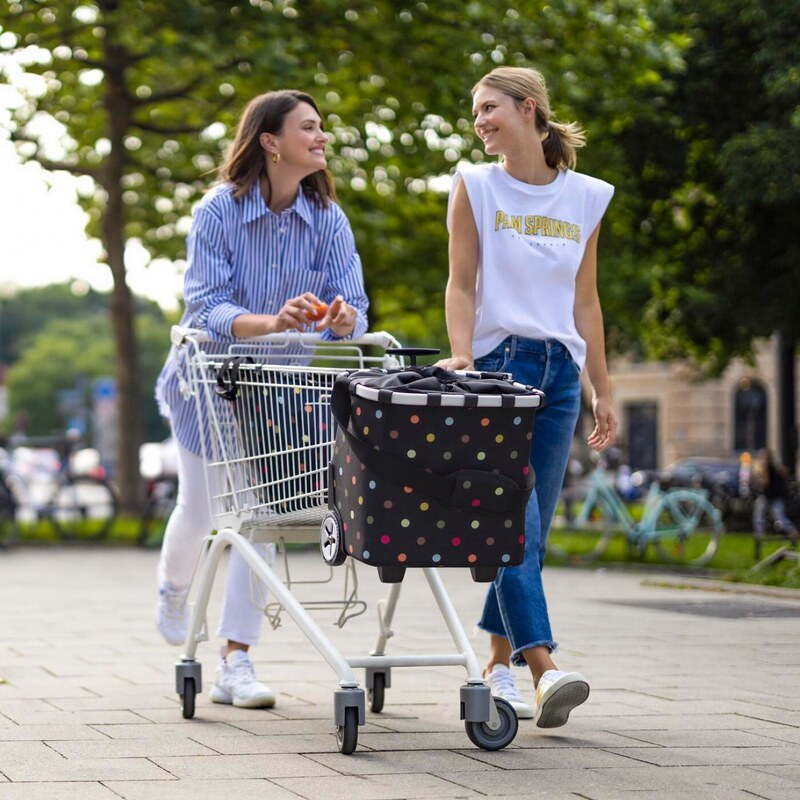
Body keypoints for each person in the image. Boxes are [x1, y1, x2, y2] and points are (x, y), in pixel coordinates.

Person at [154, 89, 369, 708]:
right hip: (209, 384)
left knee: (262, 522)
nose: (322, 137)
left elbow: (353, 310)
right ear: (270, 141)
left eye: (323, 127)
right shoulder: (219, 210)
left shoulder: (328, 217)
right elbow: (206, 306)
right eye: (309, 127)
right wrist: (272, 321)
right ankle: (173, 587)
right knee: (201, 512)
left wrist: (338, 317)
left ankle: (235, 662)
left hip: (280, 391)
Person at [437, 66, 617, 727]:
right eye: (475, 111)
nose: (479, 120)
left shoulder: (587, 196)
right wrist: (461, 352)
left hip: (561, 374)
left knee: (527, 532)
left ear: (529, 109)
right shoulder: (475, 187)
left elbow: (587, 301)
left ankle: (497, 668)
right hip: (498, 371)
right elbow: (461, 284)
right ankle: (544, 669)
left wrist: (603, 386)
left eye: (489, 108)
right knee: (512, 526)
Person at [752, 449, 799, 542]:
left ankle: (760, 535)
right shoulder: (774, 467)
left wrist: (758, 479)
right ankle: (792, 531)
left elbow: (765, 483)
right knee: (769, 516)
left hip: (772, 497)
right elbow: (785, 473)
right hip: (770, 496)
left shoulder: (768, 468)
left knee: (764, 516)